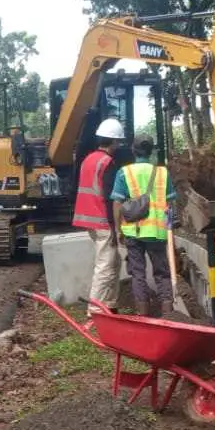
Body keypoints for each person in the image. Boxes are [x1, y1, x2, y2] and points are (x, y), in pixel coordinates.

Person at [111, 138, 178, 317]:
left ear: (133, 150)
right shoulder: (162, 173)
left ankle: (143, 314)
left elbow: (117, 204)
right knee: (162, 273)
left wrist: (118, 230)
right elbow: (171, 203)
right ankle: (168, 313)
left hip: (133, 232)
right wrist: (170, 230)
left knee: (138, 273)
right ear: (151, 151)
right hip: (157, 232)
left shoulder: (124, 172)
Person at [73, 118, 125, 313]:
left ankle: (110, 305)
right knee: (105, 266)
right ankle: (95, 312)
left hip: (88, 218)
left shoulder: (89, 159)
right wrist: (116, 227)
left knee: (113, 262)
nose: (119, 145)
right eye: (118, 142)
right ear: (113, 142)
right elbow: (111, 198)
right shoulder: (108, 163)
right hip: (102, 219)